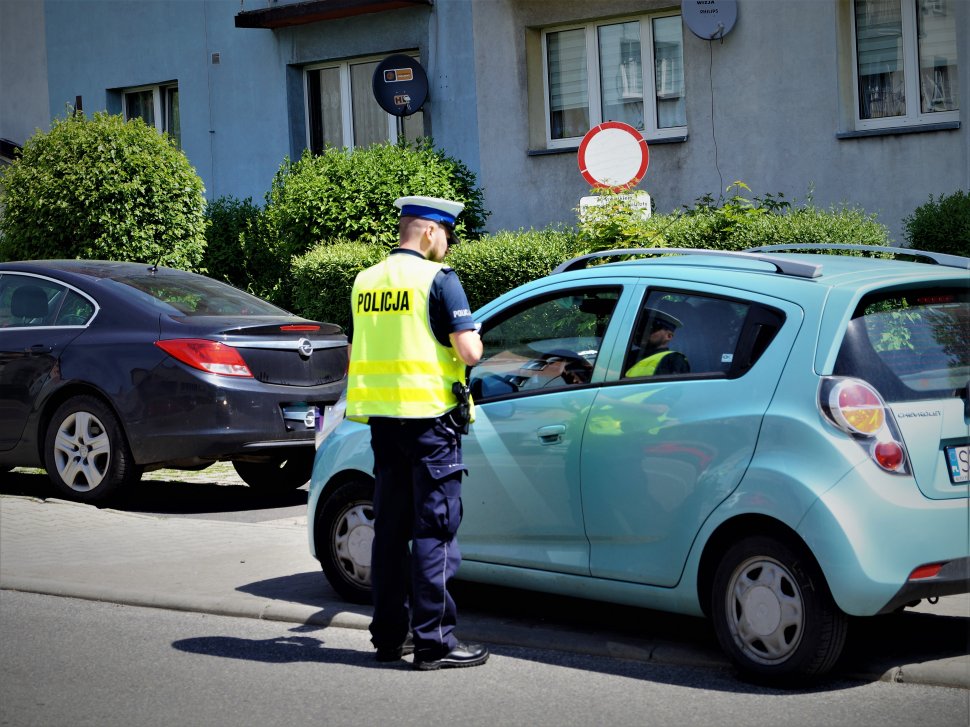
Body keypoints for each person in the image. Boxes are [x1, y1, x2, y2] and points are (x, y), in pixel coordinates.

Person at [344, 195, 489, 671]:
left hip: (383, 424)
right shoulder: (439, 280)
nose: (447, 245)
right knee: (435, 533)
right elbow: (469, 352)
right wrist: (475, 334)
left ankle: (389, 638)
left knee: (389, 532)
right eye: (446, 234)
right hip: (431, 424)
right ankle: (434, 643)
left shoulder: (365, 282)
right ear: (429, 231)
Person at [624, 309, 690, 377]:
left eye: (651, 328)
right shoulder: (629, 355)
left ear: (669, 336)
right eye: (640, 327)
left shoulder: (673, 360)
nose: (642, 332)